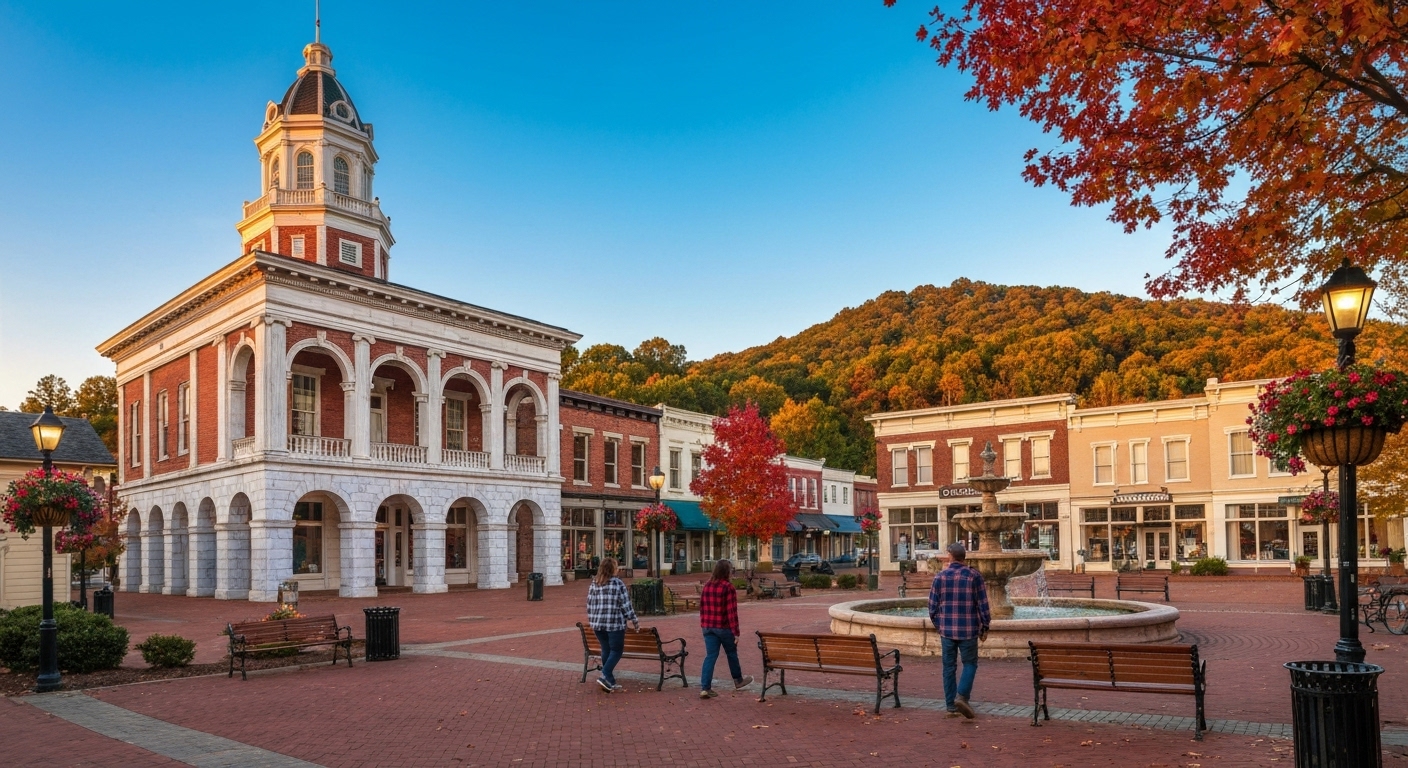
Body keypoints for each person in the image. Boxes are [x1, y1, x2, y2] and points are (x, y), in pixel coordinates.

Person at [928, 542, 991, 719]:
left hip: (947, 630)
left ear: (950, 555)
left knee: (949, 666)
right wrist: (985, 626)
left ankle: (951, 706)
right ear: (964, 557)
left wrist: (939, 624)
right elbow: (983, 605)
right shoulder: (974, 576)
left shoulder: (940, 577)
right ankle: (962, 696)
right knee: (970, 663)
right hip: (969, 629)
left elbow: (932, 606)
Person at [697, 559, 754, 699]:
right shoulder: (728, 587)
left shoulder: (707, 586)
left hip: (708, 627)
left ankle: (705, 687)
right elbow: (731, 612)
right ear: (727, 572)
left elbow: (702, 607)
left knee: (710, 656)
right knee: (731, 653)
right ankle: (738, 680)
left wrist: (704, 624)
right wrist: (736, 632)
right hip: (723, 627)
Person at [585, 557, 638, 693]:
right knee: (616, 650)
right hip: (614, 624)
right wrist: (634, 621)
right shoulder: (617, 584)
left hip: (598, 624)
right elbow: (625, 605)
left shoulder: (595, 583)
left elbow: (589, 605)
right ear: (613, 569)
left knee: (606, 649)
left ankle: (610, 681)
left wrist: (592, 621)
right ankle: (605, 674)